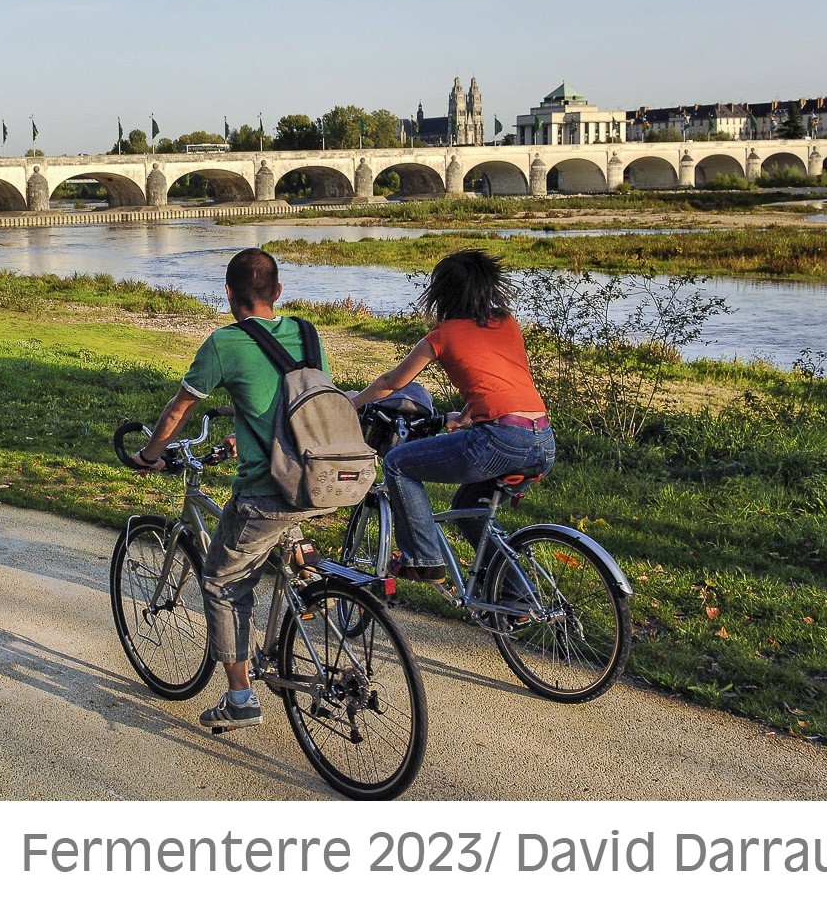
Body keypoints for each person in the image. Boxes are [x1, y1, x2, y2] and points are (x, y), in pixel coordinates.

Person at [130, 248, 335, 731]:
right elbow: (296, 401)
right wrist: (243, 431)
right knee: (282, 545)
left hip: (267, 489)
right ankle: (308, 596)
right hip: (316, 476)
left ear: (227, 294)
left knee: (222, 582)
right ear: (279, 293)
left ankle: (241, 696)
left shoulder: (225, 343)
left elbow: (180, 409)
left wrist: (151, 454)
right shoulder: (308, 333)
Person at [351, 249, 554, 583]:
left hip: (499, 440)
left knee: (398, 463)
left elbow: (391, 383)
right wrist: (464, 415)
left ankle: (424, 559)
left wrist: (353, 402)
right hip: (542, 439)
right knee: (469, 505)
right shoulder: (507, 322)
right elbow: (500, 380)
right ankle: (516, 595)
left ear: (441, 293)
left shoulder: (442, 335)